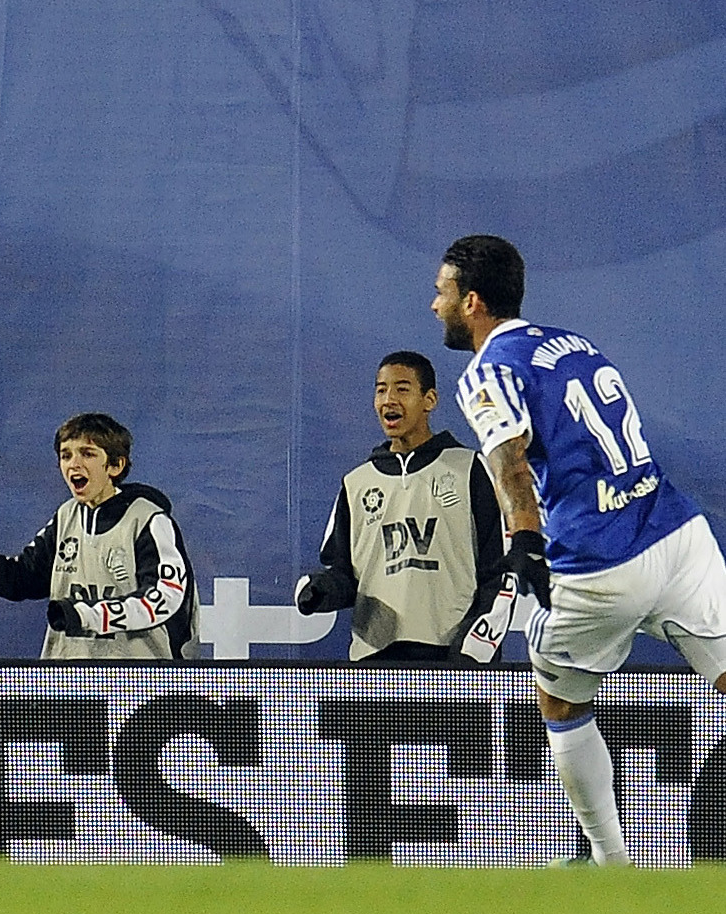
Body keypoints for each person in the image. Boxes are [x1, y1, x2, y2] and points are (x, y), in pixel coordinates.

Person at [434, 234, 726, 866]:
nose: (436, 305)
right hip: (678, 533)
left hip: (599, 561)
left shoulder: (487, 369)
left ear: (474, 303)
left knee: (561, 701)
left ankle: (608, 863)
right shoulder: (572, 343)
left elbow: (509, 461)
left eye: (443, 293)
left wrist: (525, 543)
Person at [294, 351, 506, 663]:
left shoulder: (470, 469)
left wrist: (474, 650)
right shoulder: (356, 483)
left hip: (455, 662)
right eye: (381, 390)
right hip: (374, 664)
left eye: (402, 389)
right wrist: (323, 589)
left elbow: (502, 573)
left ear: (429, 400)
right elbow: (345, 573)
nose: (388, 399)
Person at [0, 413, 198, 659]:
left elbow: (164, 597)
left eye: (87, 454)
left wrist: (86, 615)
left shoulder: (149, 520)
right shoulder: (66, 516)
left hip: (137, 682)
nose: (74, 463)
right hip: (68, 679)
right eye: (66, 455)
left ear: (116, 466)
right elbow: (25, 577)